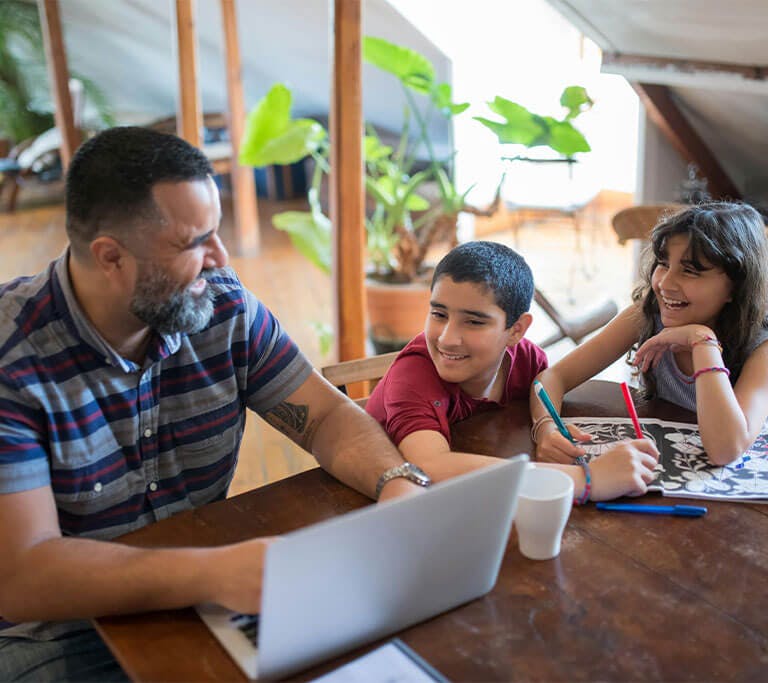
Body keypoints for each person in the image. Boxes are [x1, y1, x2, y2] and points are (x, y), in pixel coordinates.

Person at [0, 127, 429, 681]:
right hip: (59, 635)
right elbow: (24, 572)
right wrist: (216, 573)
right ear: (110, 258)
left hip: (210, 602)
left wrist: (397, 481)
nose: (220, 259)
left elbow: (323, 418)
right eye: (193, 242)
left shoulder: (221, 306)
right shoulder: (12, 361)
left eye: (217, 233)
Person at [366, 240, 659, 502]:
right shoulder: (414, 373)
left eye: (473, 322)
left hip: (474, 498)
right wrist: (586, 480)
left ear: (516, 330)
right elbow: (429, 466)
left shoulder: (526, 360)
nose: (446, 338)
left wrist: (546, 427)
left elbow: (540, 391)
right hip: (380, 508)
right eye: (439, 314)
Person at [532, 202, 768, 466]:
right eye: (664, 264)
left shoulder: (761, 348)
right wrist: (546, 430)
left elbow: (725, 450)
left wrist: (703, 342)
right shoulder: (648, 314)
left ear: (736, 286)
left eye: (689, 271)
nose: (665, 284)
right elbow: (551, 377)